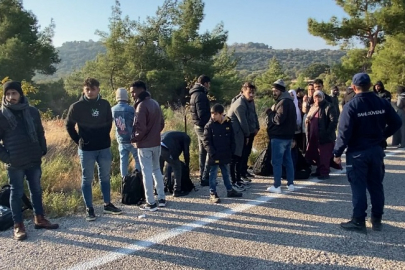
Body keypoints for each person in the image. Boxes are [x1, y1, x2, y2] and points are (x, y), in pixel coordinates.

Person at [334, 73, 401, 233]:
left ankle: (358, 221)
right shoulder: (382, 102)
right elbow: (397, 122)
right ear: (370, 85)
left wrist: (337, 153)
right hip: (376, 150)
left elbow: (344, 133)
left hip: (357, 152)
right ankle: (377, 219)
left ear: (354, 87)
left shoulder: (351, 106)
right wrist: (383, 135)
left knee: (358, 186)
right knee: (376, 186)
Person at [0, 81, 59, 241]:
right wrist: (8, 158)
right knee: (16, 193)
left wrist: (43, 148)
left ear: (20, 94)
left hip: (33, 158)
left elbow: (40, 131)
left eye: (14, 93)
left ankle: (39, 218)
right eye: (8, 94)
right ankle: (18, 226)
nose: (11, 97)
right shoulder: (2, 115)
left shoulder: (32, 111)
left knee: (36, 190)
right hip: (15, 162)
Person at [66, 78, 122, 221]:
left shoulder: (104, 104)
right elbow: (69, 126)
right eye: (87, 89)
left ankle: (107, 204)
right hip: (87, 149)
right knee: (87, 179)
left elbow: (109, 122)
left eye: (93, 89)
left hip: (104, 147)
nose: (90, 92)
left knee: (105, 177)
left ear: (98, 89)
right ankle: (89, 208)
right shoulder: (76, 106)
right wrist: (79, 140)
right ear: (83, 90)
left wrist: (103, 137)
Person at [130, 80, 166, 211]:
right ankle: (161, 198)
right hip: (156, 142)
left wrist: (133, 139)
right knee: (157, 169)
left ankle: (151, 202)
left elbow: (140, 128)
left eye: (133, 92)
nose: (132, 95)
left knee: (146, 173)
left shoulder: (141, 106)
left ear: (141, 90)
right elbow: (161, 123)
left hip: (144, 145)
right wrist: (155, 133)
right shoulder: (155, 103)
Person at [203, 104, 242, 203]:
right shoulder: (209, 126)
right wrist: (212, 153)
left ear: (221, 114)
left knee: (226, 173)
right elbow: (206, 142)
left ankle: (230, 190)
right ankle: (213, 193)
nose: (213, 116)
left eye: (215, 114)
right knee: (213, 174)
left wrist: (232, 151)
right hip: (215, 155)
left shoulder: (228, 123)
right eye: (212, 113)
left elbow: (232, 139)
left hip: (225, 153)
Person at [266, 79, 296, 193]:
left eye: (275, 90)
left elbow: (278, 120)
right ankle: (290, 184)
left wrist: (270, 113)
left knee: (277, 162)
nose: (274, 93)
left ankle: (277, 186)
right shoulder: (291, 101)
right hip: (288, 137)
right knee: (288, 160)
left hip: (279, 137)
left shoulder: (283, 102)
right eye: (273, 90)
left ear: (280, 90)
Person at [227, 82, 256, 191]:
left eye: (253, 92)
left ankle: (238, 179)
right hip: (235, 134)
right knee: (234, 159)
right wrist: (248, 135)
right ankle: (233, 181)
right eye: (249, 92)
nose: (252, 95)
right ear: (243, 91)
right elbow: (243, 122)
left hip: (240, 134)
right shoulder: (240, 104)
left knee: (239, 158)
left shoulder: (247, 102)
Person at [305, 90, 338, 180]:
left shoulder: (329, 106)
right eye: (315, 97)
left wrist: (327, 133)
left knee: (324, 155)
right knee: (317, 154)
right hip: (314, 135)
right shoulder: (312, 107)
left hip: (325, 136)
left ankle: (324, 173)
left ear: (322, 97)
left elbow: (333, 121)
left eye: (319, 96)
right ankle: (319, 171)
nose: (317, 99)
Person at [111, 88, 141, 177]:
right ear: (126, 97)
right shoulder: (131, 109)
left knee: (123, 161)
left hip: (121, 139)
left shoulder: (113, 109)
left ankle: (124, 180)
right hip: (132, 139)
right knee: (137, 159)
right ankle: (137, 178)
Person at [189, 75, 211, 186]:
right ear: (205, 83)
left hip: (197, 125)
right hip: (203, 126)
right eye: (209, 84)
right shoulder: (201, 95)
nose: (209, 86)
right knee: (210, 150)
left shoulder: (194, 93)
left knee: (202, 152)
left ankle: (203, 176)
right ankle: (205, 176)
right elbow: (203, 114)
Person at [160, 131, 191, 197]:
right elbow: (186, 153)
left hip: (157, 148)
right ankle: (177, 190)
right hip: (167, 149)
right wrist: (187, 164)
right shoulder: (186, 138)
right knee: (177, 167)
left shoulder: (173, 134)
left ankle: (158, 190)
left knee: (158, 170)